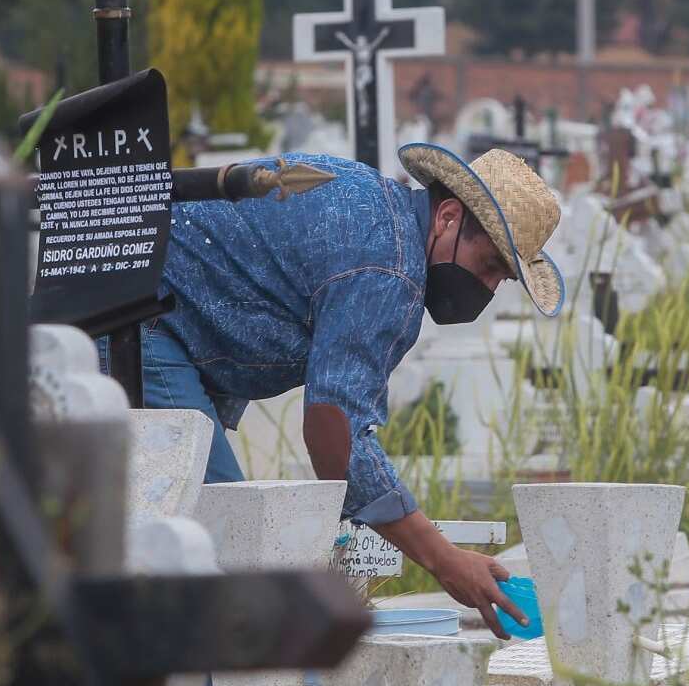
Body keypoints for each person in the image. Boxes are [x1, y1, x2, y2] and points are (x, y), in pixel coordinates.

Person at [144, 143, 566, 639]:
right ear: (448, 217)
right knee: (227, 543)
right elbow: (334, 432)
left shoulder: (379, 211)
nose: (488, 287)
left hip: (151, 306)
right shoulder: (390, 271)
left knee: (202, 544)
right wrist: (443, 560)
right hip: (146, 325)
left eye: (502, 278)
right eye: (490, 263)